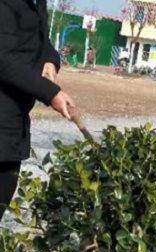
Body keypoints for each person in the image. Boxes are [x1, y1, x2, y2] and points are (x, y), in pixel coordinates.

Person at [0, 0, 76, 222]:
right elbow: (3, 59)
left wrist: (51, 61)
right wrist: (50, 93)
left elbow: (42, 41)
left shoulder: (36, 3)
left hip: (13, 124)